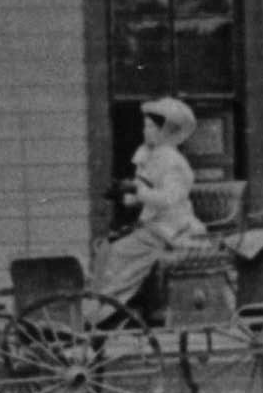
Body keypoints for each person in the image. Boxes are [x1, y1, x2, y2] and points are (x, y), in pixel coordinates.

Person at [90, 96, 211, 310]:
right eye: (145, 126)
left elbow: (167, 199)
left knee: (117, 253)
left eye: (150, 127)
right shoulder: (154, 157)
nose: (145, 131)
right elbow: (144, 197)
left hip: (172, 230)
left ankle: (108, 306)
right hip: (156, 227)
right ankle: (103, 305)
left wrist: (137, 189)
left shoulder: (172, 161)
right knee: (108, 249)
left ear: (165, 130)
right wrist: (124, 196)